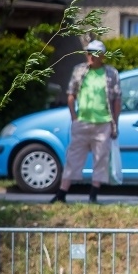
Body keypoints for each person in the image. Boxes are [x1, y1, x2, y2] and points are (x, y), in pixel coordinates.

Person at [51, 40, 121, 204]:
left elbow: (117, 99)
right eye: (89, 53)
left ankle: (93, 195)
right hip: (82, 122)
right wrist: (74, 117)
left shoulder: (111, 73)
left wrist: (114, 124)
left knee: (101, 159)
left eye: (95, 53)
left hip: (103, 122)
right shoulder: (80, 70)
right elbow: (71, 94)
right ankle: (61, 194)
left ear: (102, 56)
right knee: (73, 157)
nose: (91, 56)